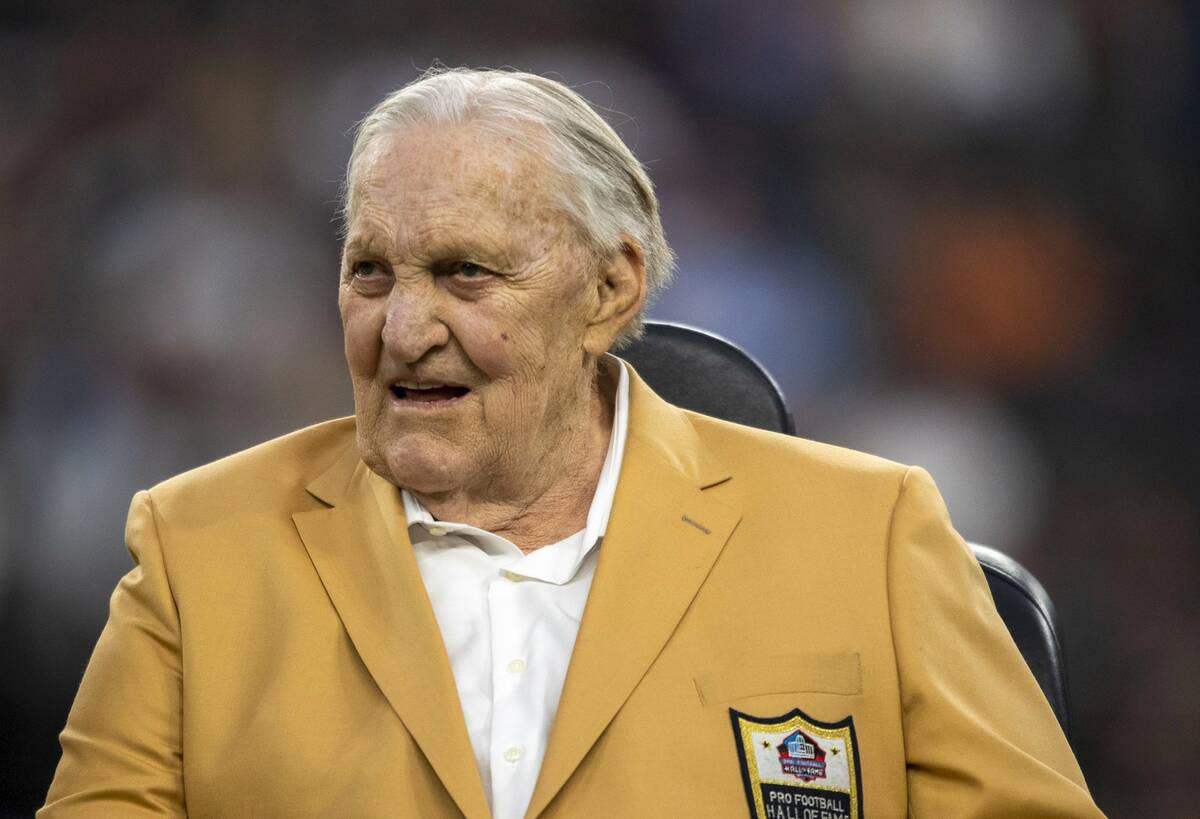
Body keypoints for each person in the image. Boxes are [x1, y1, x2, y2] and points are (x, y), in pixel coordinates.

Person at [39, 68, 1104, 819]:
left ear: (611, 288)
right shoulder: (199, 548)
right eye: (372, 272)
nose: (404, 328)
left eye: (465, 272)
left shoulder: (869, 534)